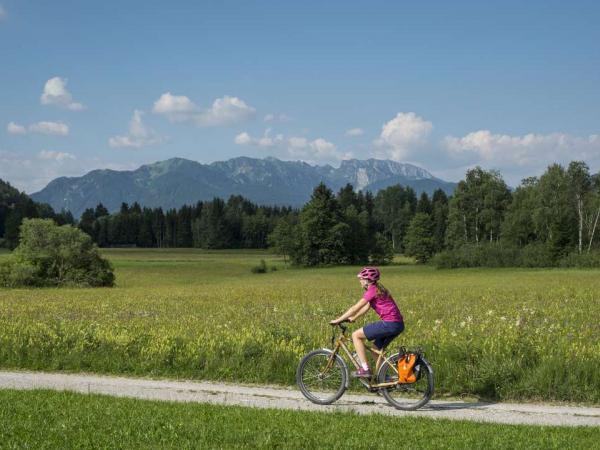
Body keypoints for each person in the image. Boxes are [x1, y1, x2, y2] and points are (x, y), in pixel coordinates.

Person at [330, 267, 404, 378]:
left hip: (389, 323)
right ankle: (383, 378)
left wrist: (338, 320)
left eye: (361, 278)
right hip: (397, 325)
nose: (360, 281)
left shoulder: (372, 290)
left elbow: (355, 307)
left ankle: (365, 369)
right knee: (375, 350)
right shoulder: (379, 289)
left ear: (367, 280)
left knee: (356, 335)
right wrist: (354, 318)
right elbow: (367, 307)